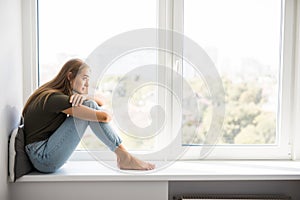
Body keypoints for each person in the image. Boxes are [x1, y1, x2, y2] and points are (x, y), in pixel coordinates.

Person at [22, 58, 155, 173]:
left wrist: (84, 97)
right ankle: (124, 156)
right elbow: (104, 117)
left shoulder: (53, 94)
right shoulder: (55, 98)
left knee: (90, 104)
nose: (87, 84)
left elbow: (100, 102)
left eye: (88, 79)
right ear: (70, 76)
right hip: (43, 157)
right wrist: (88, 101)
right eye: (84, 78)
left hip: (41, 154)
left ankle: (124, 156)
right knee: (91, 106)